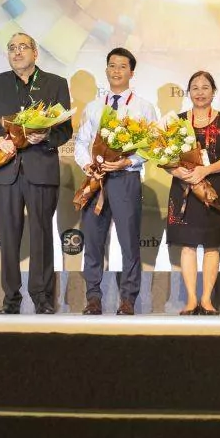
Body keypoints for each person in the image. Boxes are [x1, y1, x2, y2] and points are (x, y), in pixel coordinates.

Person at [0, 32, 72, 315]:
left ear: (35, 52)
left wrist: (44, 136)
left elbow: (65, 129)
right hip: (6, 169)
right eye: (12, 48)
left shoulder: (55, 84)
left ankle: (42, 298)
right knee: (8, 235)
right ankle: (11, 299)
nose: (17, 52)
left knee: (42, 233)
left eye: (23, 47)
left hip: (40, 168)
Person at [74, 47, 160, 315]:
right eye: (112, 66)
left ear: (131, 72)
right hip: (96, 179)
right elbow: (82, 142)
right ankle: (93, 298)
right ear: (106, 70)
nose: (116, 71)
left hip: (125, 179)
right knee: (93, 240)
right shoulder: (93, 106)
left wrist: (127, 161)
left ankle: (128, 299)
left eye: (122, 66)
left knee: (129, 241)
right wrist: (87, 163)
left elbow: (151, 146)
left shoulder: (143, 107)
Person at [165, 71, 220, 315]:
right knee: (187, 245)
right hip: (185, 189)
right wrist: (177, 172)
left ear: (213, 91)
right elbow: (165, 156)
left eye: (205, 87)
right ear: (189, 93)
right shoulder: (178, 120)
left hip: (214, 188)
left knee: (211, 245)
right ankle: (191, 300)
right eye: (194, 87)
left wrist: (205, 170)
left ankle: (207, 300)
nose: (200, 92)